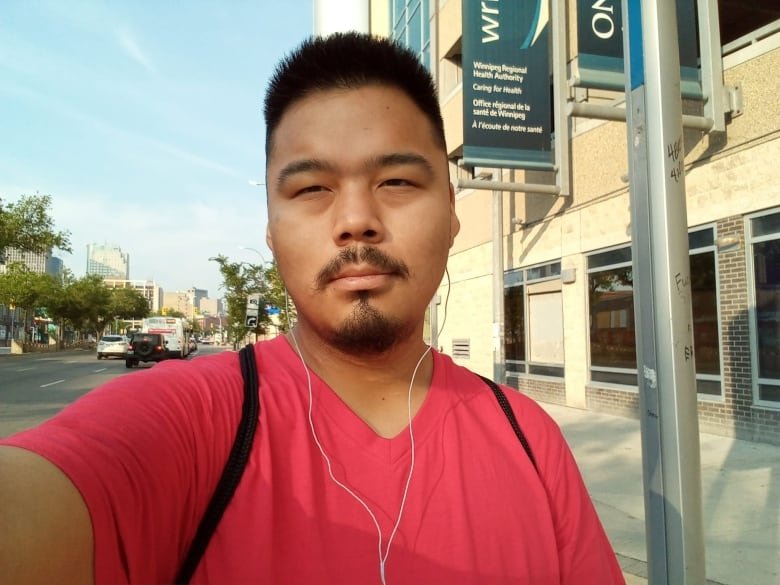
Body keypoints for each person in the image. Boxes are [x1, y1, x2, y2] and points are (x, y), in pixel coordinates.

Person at [0, 32, 625, 585]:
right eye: (312, 188)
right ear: (271, 229)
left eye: (398, 182)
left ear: (453, 211)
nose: (356, 221)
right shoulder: (194, 425)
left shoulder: (530, 440)